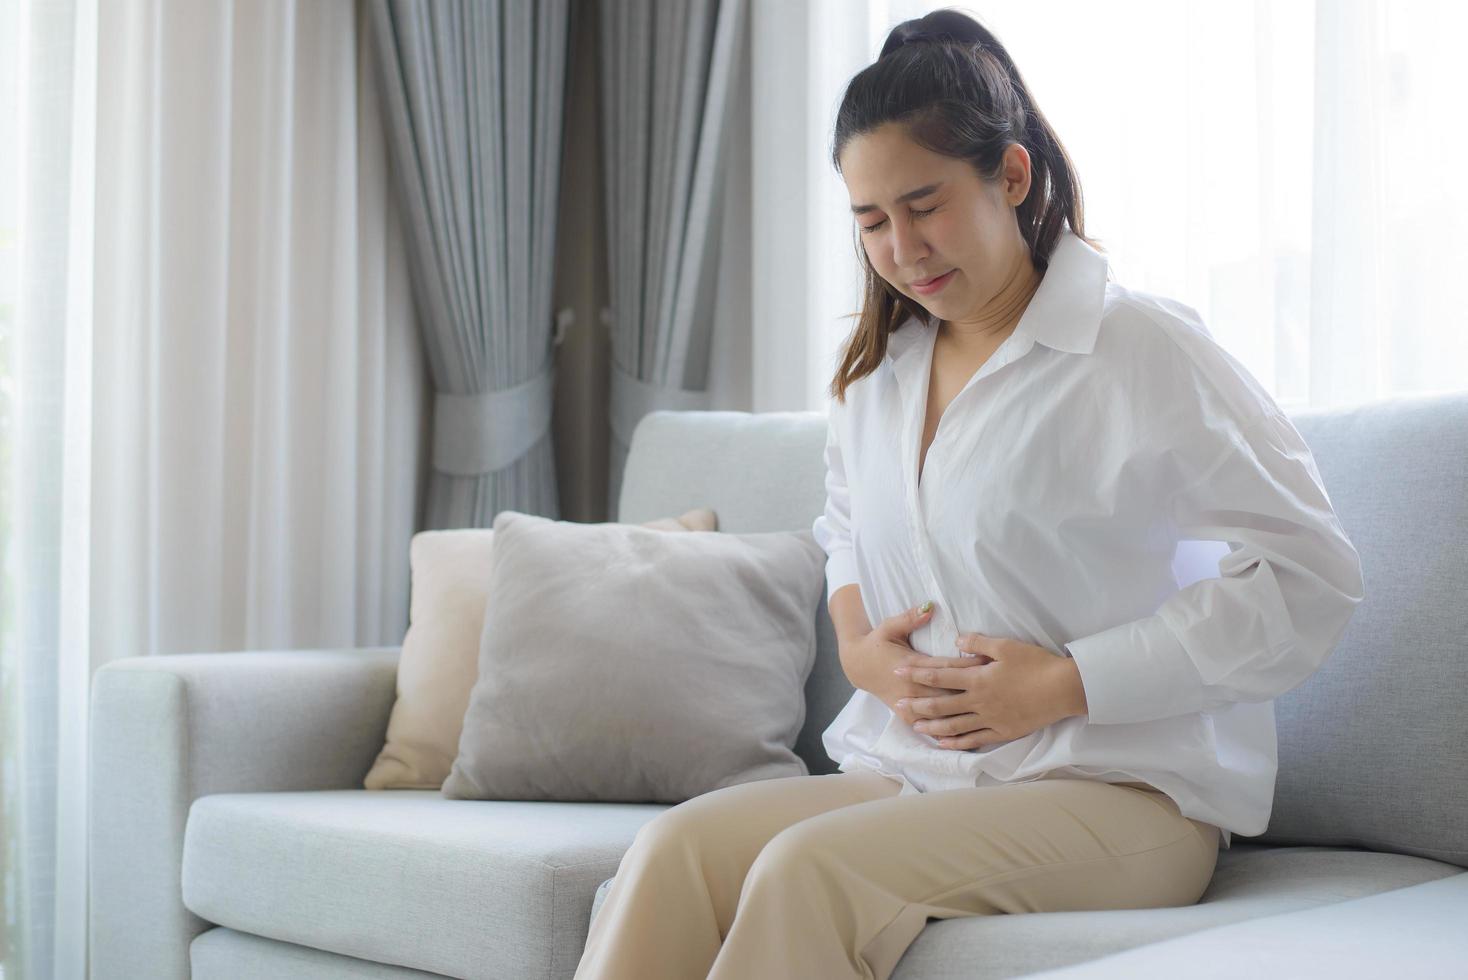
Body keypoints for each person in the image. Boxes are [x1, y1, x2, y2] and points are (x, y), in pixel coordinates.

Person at [573, 9, 1364, 980]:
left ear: (1011, 175)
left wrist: (1065, 681)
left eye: (924, 204)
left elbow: (1311, 574)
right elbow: (847, 528)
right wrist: (860, 646)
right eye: (870, 220)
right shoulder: (878, 373)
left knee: (806, 871)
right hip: (917, 773)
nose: (900, 246)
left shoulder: (1139, 348)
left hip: (1122, 791)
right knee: (671, 851)